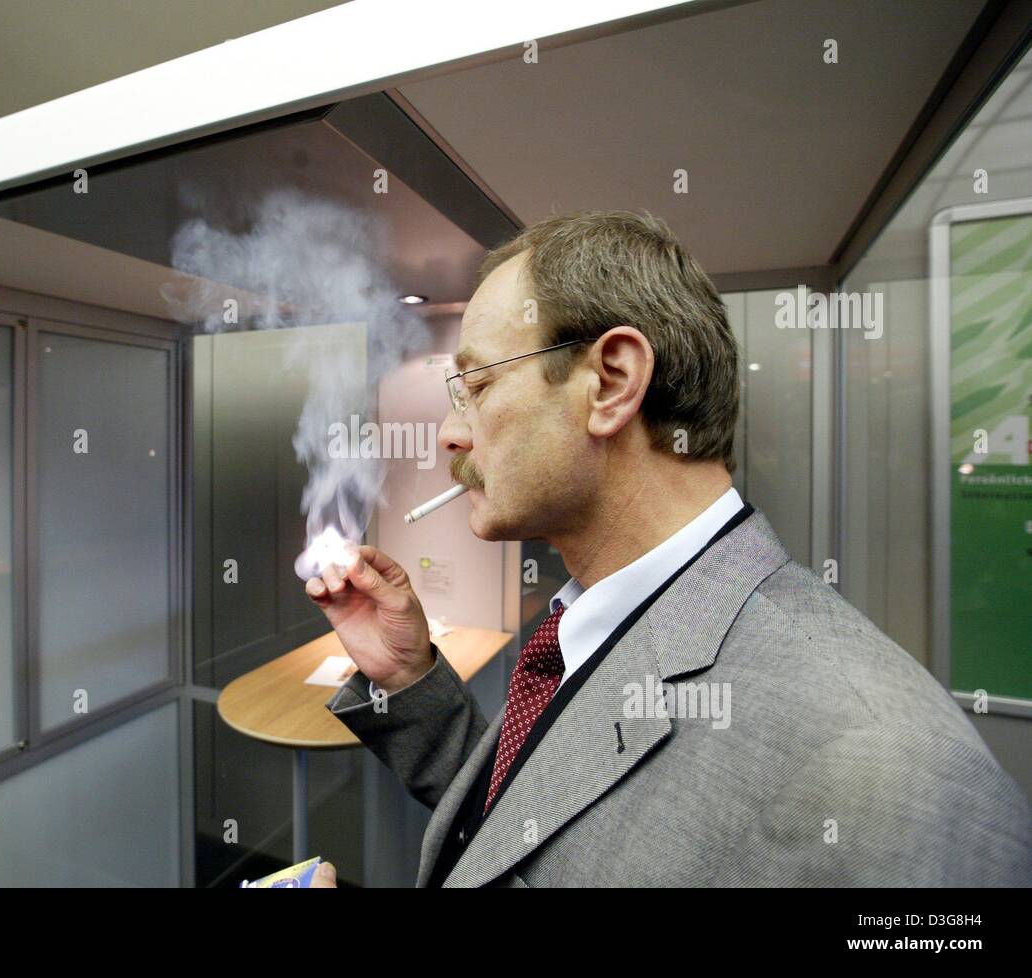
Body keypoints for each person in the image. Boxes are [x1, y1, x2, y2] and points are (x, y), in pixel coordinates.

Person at [304, 210, 1032, 888]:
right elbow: (539, 827)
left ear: (612, 382)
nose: (450, 436)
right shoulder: (601, 620)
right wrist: (405, 676)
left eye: (479, 383)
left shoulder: (883, 766)